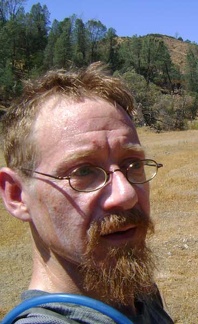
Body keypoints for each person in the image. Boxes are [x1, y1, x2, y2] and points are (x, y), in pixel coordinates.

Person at [0, 63, 174, 323]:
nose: (126, 195)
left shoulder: (140, 293)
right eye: (82, 171)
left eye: (134, 164)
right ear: (17, 195)